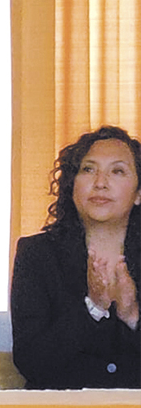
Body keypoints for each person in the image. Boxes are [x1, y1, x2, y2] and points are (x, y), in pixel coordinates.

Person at [11, 125, 141, 389]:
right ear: (72, 187)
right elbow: (30, 362)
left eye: (117, 171)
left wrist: (131, 315)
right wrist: (92, 308)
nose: (100, 183)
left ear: (139, 194)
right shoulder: (37, 255)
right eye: (88, 169)